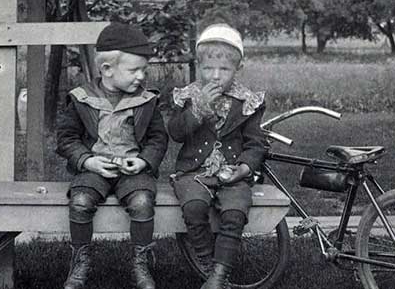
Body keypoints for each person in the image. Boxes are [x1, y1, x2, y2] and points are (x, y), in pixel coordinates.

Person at [56, 22, 168, 289]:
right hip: (94, 169)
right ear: (107, 70)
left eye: (144, 69)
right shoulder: (82, 98)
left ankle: (141, 263)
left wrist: (142, 161)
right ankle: (80, 260)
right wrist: (87, 160)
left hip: (132, 171)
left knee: (142, 201)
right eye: (134, 70)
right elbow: (66, 138)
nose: (141, 76)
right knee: (81, 201)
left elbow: (157, 138)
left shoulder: (146, 101)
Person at [168, 23, 266, 289]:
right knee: (194, 208)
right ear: (199, 66)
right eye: (208, 68)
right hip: (194, 173)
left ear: (237, 69)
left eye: (224, 70)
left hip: (232, 173)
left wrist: (245, 169)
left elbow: (256, 144)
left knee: (235, 212)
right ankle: (209, 265)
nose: (215, 76)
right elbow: (175, 133)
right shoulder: (188, 97)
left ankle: (219, 275)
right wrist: (198, 109)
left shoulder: (246, 101)